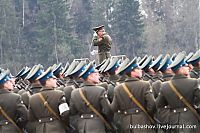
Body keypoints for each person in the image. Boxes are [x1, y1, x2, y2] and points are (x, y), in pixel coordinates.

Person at [156, 52, 200, 133]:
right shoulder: (194, 82)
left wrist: (167, 119)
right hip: (191, 120)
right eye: (186, 66)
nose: (188, 68)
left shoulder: (165, 86)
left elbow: (159, 105)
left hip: (173, 121)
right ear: (181, 69)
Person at [111, 58, 156, 133]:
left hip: (125, 123)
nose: (141, 70)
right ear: (132, 72)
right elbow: (152, 105)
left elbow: (114, 108)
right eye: (138, 69)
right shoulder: (145, 85)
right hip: (142, 122)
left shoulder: (118, 88)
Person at [70, 61, 113, 133]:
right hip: (97, 125)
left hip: (82, 125)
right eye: (96, 74)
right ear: (89, 77)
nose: (98, 76)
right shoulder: (100, 90)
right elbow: (107, 111)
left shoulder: (74, 92)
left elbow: (72, 112)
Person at [28, 67, 69, 133]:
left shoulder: (32, 98)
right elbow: (65, 114)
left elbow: (31, 119)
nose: (56, 80)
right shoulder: (59, 94)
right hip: (57, 129)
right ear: (47, 81)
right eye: (53, 79)